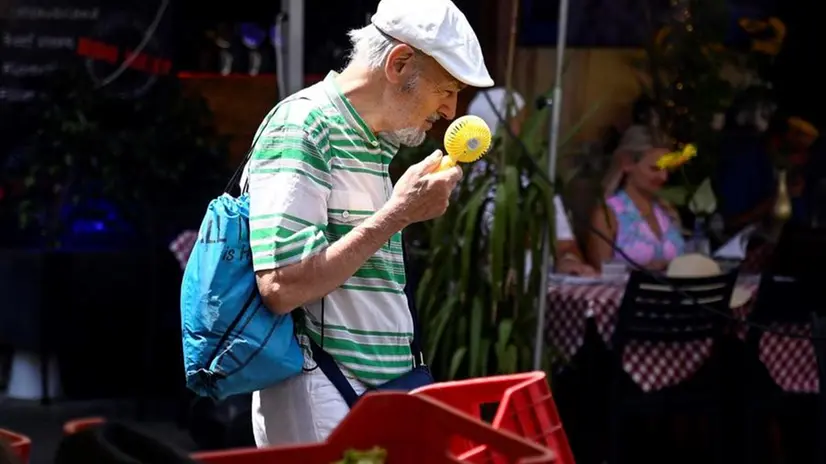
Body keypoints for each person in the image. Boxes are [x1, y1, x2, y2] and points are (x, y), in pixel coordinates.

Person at [242, 0, 491, 447]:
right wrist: (398, 214)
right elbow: (281, 287)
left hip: (370, 394)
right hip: (321, 393)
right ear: (399, 64)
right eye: (447, 89)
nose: (451, 112)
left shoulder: (373, 140)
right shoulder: (304, 125)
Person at [466, 88, 597, 276]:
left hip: (546, 293)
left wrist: (569, 262)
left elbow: (565, 244)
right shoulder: (468, 184)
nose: (528, 128)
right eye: (519, 120)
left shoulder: (537, 181)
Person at [586, 125, 685, 271]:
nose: (663, 177)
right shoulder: (607, 215)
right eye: (655, 168)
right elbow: (602, 273)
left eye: (667, 169)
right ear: (627, 163)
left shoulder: (666, 211)